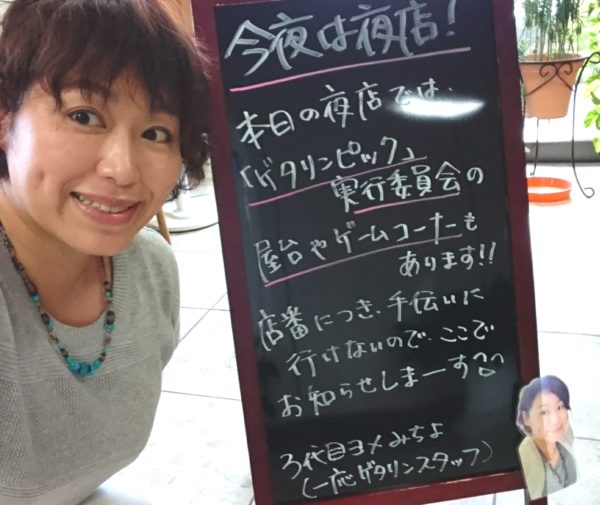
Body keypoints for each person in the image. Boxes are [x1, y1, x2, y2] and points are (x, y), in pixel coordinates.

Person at [0, 1, 210, 504]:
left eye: (156, 133)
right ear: (5, 119)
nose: (123, 169)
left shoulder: (150, 271)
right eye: (84, 115)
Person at [516, 375, 578, 500]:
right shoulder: (528, 456)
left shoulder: (565, 439)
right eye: (544, 412)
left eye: (559, 407)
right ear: (526, 418)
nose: (555, 420)